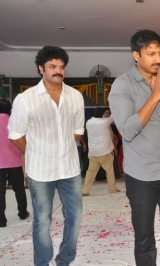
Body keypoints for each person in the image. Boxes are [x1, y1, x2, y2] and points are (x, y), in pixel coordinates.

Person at [108, 29, 160, 266]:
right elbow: (126, 129)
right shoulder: (122, 85)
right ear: (136, 55)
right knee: (144, 238)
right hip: (141, 174)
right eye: (151, 53)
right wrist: (154, 97)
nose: (158, 59)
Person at [8, 46, 85, 266]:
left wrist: (61, 148)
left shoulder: (76, 97)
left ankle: (65, 259)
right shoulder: (26, 99)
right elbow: (14, 135)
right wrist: (36, 150)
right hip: (40, 171)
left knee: (75, 216)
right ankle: (42, 262)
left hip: (69, 169)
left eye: (61, 67)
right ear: (41, 68)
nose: (58, 71)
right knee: (42, 220)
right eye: (52, 66)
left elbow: (78, 132)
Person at [0, 99, 29, 228]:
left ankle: (1, 220)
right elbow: (24, 139)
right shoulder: (14, 122)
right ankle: (22, 212)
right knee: (19, 189)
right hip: (14, 161)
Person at [82, 107, 120, 196]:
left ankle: (85, 191)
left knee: (90, 172)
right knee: (109, 171)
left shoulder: (88, 122)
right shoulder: (104, 122)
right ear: (102, 114)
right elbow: (114, 115)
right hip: (105, 151)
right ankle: (112, 188)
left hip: (93, 153)